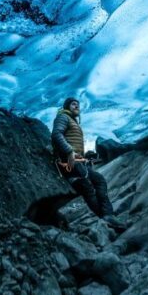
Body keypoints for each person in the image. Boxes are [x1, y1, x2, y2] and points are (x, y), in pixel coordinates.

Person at [52, 97, 125, 231]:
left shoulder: (73, 121)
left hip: (79, 161)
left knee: (99, 180)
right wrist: (69, 152)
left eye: (78, 104)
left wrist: (83, 157)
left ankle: (107, 214)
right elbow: (56, 134)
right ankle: (107, 217)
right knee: (87, 187)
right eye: (73, 104)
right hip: (68, 161)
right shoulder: (63, 117)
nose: (77, 106)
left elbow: (72, 140)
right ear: (67, 106)